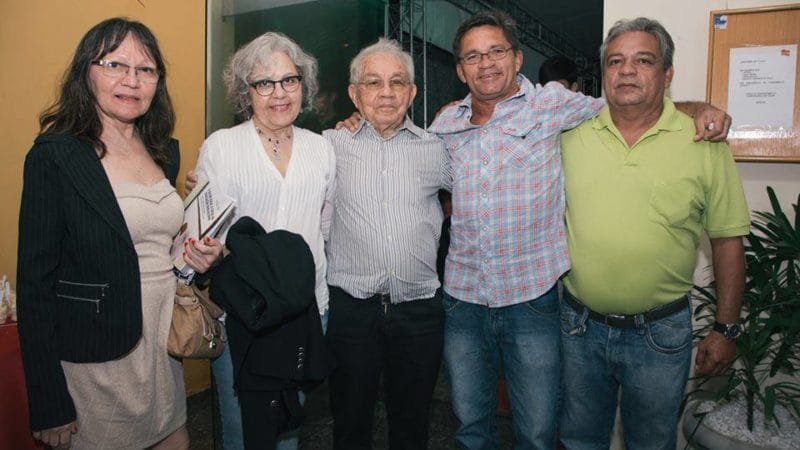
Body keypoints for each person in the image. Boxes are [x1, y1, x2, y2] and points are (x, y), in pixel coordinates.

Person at [427, 10, 732, 449]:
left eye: (496, 51)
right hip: (462, 299)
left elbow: (628, 103)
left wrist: (697, 109)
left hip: (531, 301)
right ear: (459, 70)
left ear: (516, 59)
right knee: (471, 426)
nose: (486, 63)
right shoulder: (445, 125)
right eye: (472, 56)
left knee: (537, 429)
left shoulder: (553, 105)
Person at [17, 17, 221, 450]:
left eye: (146, 70)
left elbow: (156, 251)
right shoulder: (55, 157)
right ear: (85, 73)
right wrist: (48, 400)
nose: (132, 80)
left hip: (161, 351)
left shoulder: (163, 151)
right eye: (115, 65)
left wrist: (194, 261)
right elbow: (34, 288)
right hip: (97, 362)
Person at [558, 17, 749, 449]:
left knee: (652, 443)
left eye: (643, 61)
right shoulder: (569, 134)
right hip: (578, 329)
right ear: (603, 72)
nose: (627, 71)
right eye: (615, 61)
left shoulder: (702, 142)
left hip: (660, 336)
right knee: (577, 440)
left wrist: (726, 328)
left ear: (666, 75)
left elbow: (727, 241)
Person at [188, 31, 335, 450]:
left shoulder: (321, 149)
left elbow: (325, 226)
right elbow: (201, 230)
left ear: (303, 85)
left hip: (306, 312)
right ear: (245, 91)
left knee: (289, 425)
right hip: (243, 316)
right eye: (264, 83)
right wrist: (203, 251)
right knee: (244, 433)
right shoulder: (222, 147)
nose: (278, 93)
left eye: (289, 80)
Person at [323, 38, 452, 450]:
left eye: (398, 82)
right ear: (354, 93)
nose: (386, 92)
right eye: (373, 82)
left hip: (419, 312)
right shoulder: (327, 146)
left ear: (412, 92)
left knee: (413, 423)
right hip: (351, 310)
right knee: (349, 421)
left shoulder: (438, 149)